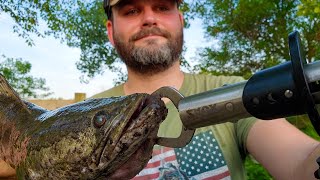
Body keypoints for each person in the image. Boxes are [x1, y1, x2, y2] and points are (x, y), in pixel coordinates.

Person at [1, 0, 319, 179]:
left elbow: (301, 161)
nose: (149, 17)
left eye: (162, 5)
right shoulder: (86, 110)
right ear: (111, 30)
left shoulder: (230, 91)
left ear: (180, 19)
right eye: (130, 9)